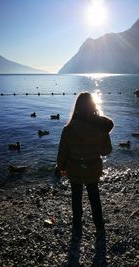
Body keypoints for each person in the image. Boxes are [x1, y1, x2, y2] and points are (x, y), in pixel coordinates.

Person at [57, 92, 113, 237]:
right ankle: (99, 227)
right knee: (94, 197)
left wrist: (61, 167)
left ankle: (77, 227)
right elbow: (106, 151)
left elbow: (63, 151)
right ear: (93, 106)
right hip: (93, 168)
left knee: (76, 197)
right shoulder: (101, 128)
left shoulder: (68, 129)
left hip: (74, 169)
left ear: (77, 107)